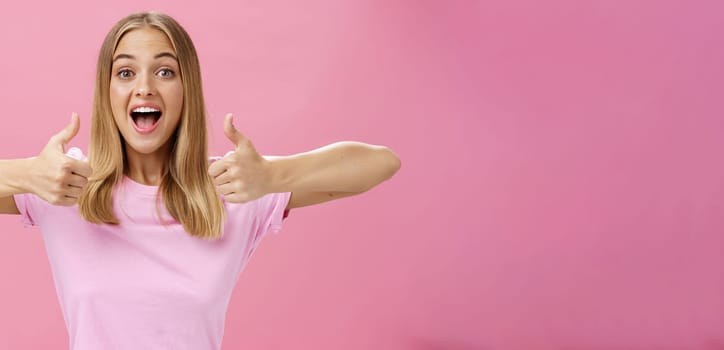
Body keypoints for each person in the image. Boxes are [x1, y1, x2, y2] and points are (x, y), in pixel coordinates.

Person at [0, 11, 400, 350]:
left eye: (165, 71)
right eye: (125, 72)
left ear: (186, 88)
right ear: (107, 92)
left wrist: (273, 176)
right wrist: (25, 174)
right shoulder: (66, 185)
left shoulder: (231, 186)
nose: (144, 87)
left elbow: (380, 163)